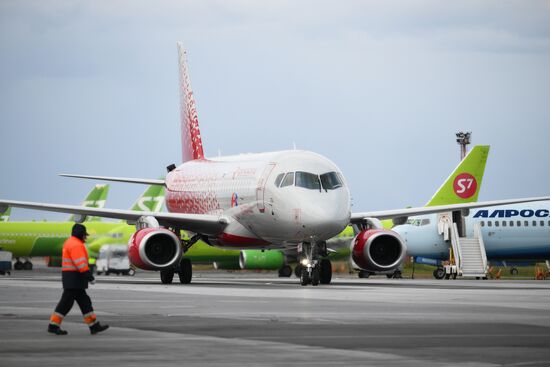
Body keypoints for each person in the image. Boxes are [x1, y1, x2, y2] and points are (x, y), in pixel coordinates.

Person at [47, 223, 109, 335]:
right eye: (84, 235)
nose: (85, 237)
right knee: (66, 303)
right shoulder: (76, 245)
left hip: (72, 277)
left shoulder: (70, 242)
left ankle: (93, 325)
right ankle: (53, 325)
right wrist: (89, 277)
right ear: (80, 234)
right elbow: (80, 264)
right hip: (74, 278)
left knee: (84, 302)